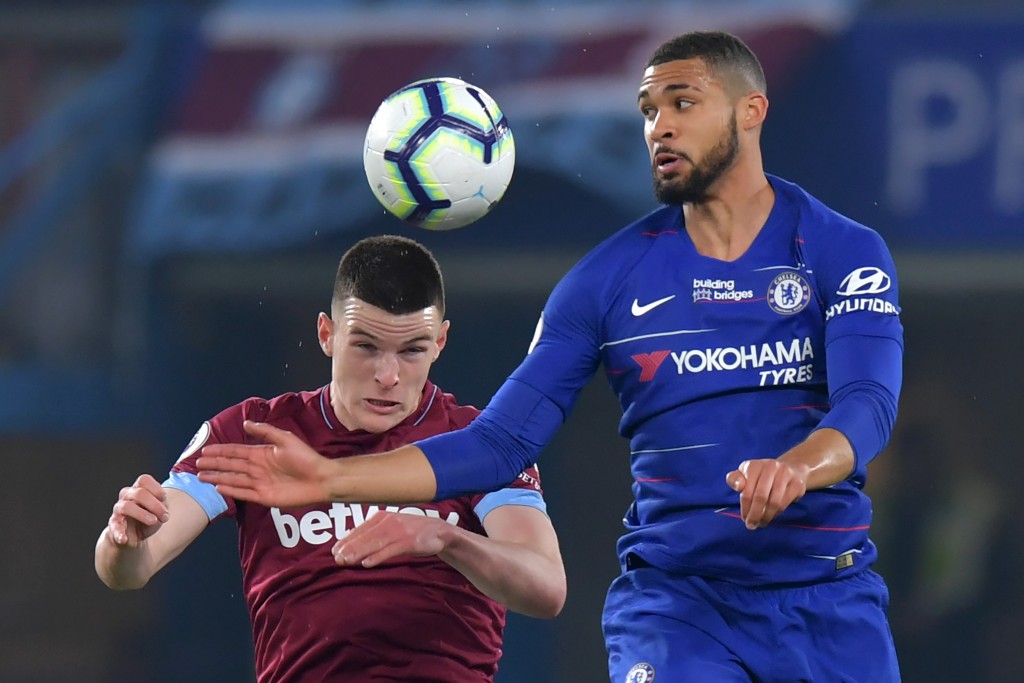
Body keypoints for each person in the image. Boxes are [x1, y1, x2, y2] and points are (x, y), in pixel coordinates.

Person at [197, 31, 904, 682]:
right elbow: (500, 443)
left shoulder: (841, 250)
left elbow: (867, 404)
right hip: (679, 611)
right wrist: (329, 477)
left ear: (752, 111)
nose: (659, 125)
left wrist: (796, 467)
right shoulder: (604, 282)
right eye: (649, 107)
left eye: (683, 102)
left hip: (830, 602)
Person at [94, 235, 566, 683]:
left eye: (412, 351)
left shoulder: (478, 442)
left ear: (440, 343)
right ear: (327, 334)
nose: (387, 375)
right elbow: (129, 570)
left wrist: (446, 538)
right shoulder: (255, 433)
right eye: (365, 347)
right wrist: (125, 540)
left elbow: (546, 589)